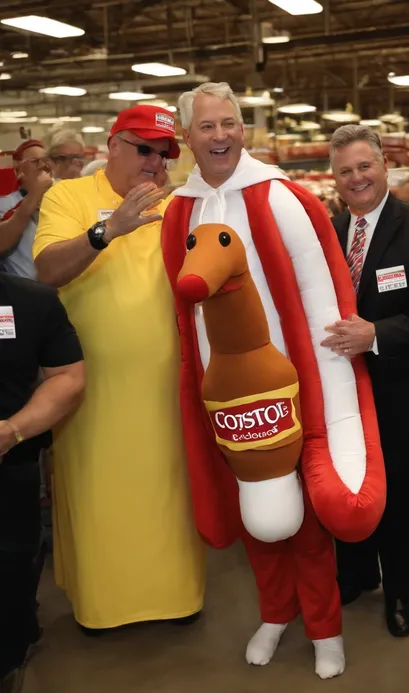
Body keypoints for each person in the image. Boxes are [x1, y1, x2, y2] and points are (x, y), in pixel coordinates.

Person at [161, 82, 386, 679]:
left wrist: (330, 396)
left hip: (289, 387)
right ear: (187, 137)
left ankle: (325, 627)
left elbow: (322, 300)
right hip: (227, 393)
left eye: (230, 123)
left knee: (308, 524)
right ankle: (275, 611)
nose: (221, 136)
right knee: (255, 517)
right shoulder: (179, 210)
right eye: (207, 127)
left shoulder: (282, 198)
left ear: (244, 130)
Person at [32, 104, 205, 634]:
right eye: (144, 149)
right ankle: (102, 606)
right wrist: (108, 230)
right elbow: (46, 269)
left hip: (165, 388)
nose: (155, 162)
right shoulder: (70, 197)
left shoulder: (181, 206)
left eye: (164, 153)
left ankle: (178, 596)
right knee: (99, 497)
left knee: (169, 495)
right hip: (92, 389)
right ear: (113, 146)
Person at [323, 125, 409, 637]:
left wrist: (375, 333)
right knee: (349, 486)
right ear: (336, 179)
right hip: (343, 392)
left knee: (401, 493)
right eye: (345, 171)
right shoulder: (330, 233)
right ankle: (356, 574)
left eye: (364, 166)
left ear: (383, 166)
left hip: (403, 389)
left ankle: (399, 591)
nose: (356, 178)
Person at [0, 271, 85, 692]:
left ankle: (13, 648)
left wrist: (12, 431)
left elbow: (68, 376)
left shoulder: (31, 301)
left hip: (10, 468)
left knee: (11, 576)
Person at [0, 140, 53, 279]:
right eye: (35, 161)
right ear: (18, 169)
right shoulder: (5, 203)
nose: (43, 166)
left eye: (46, 160)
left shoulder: (59, 199)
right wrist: (34, 194)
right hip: (27, 292)